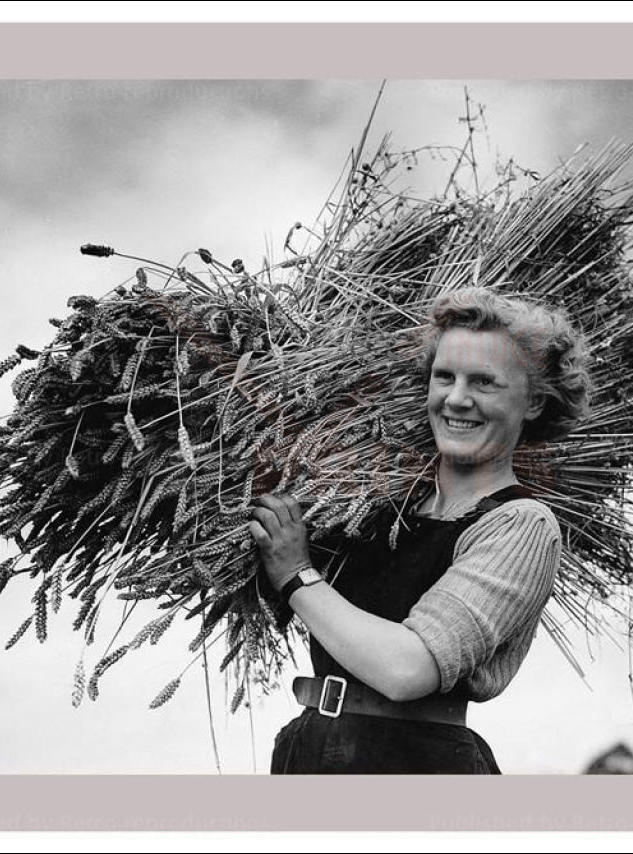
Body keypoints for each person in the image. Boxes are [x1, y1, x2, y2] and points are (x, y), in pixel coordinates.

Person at [249, 287, 592, 773]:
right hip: (310, 751)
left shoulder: (521, 526)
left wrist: (296, 575)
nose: (457, 398)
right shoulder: (374, 502)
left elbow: (407, 669)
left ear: (533, 401)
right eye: (444, 376)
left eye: (484, 383)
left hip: (417, 763)